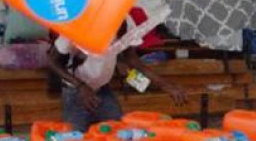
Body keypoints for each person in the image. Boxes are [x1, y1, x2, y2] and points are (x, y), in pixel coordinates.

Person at [48, 18, 187, 131]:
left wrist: (167, 85)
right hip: (75, 92)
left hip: (102, 89)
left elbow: (132, 60)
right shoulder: (78, 23)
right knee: (76, 140)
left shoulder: (125, 22)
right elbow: (52, 61)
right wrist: (81, 86)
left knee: (119, 134)